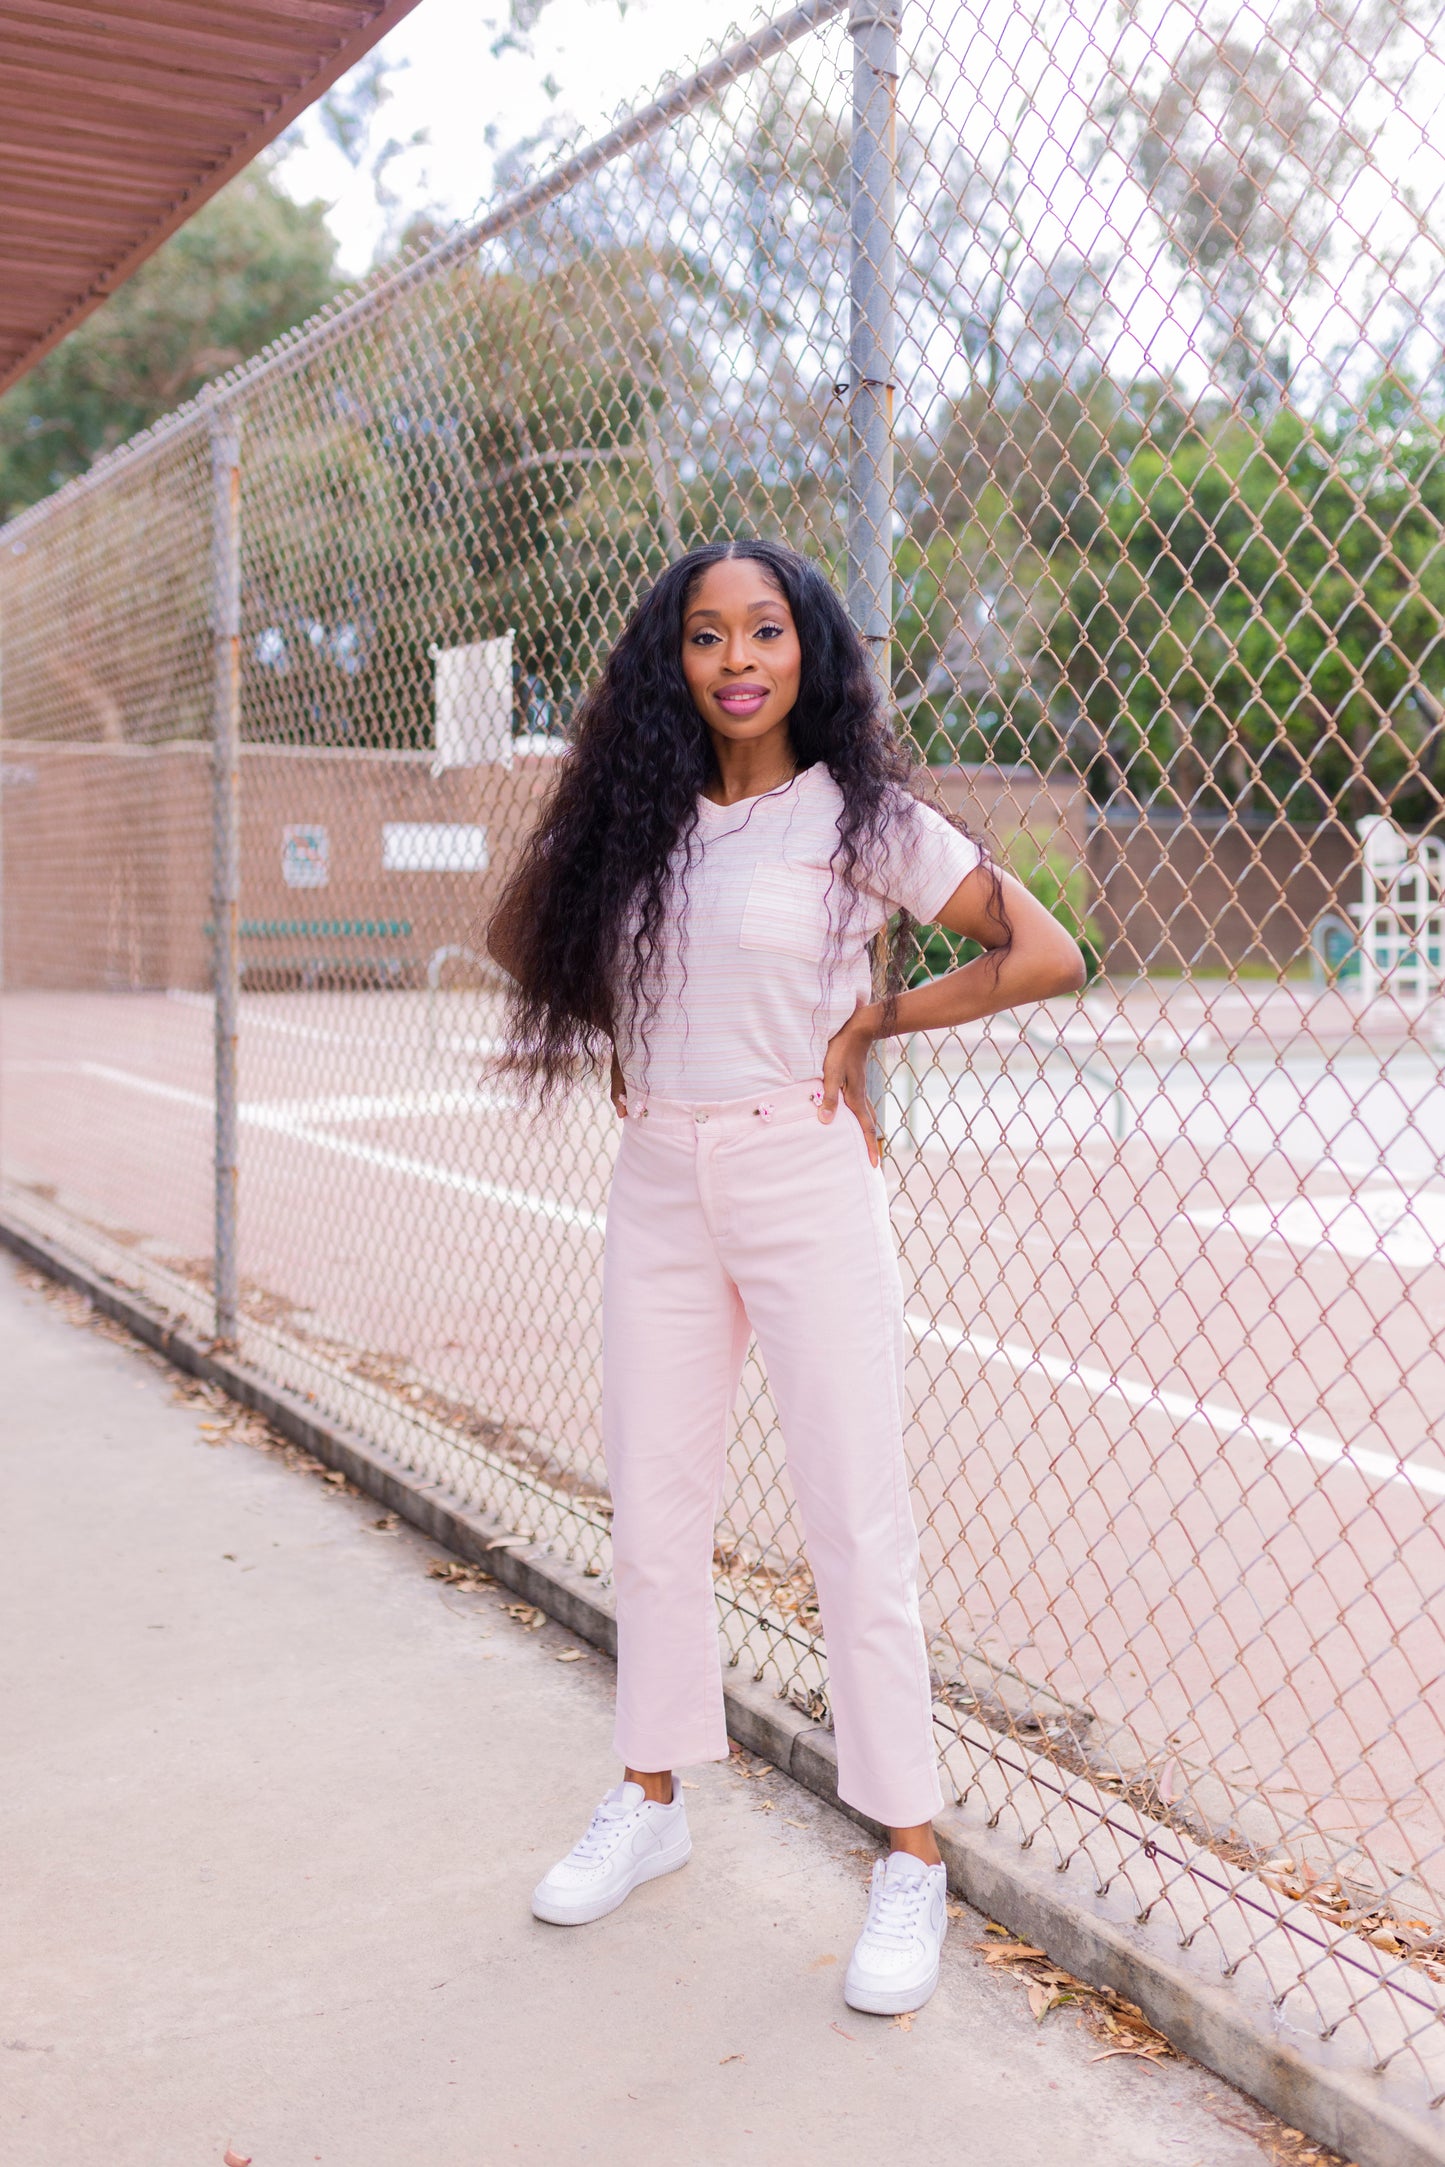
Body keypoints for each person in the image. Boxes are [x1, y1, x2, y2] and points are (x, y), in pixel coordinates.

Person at [488, 538, 1084, 2015]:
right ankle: (653, 1800)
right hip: (659, 1186)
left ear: (807, 651)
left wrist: (870, 1021)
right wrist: (633, 1031)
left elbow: (1045, 950)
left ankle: (908, 1858)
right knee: (653, 1509)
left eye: (764, 631)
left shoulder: (858, 817)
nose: (736, 659)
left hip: (801, 1176)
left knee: (850, 1524)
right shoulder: (640, 818)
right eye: (704, 635)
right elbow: (542, 942)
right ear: (669, 661)